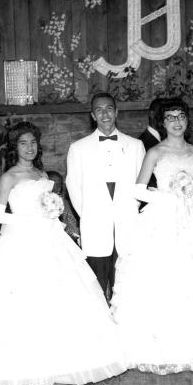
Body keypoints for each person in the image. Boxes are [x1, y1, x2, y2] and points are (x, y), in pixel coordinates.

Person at [0, 121, 126, 385]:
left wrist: (50, 212)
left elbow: (50, 207)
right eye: (23, 143)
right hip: (21, 241)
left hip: (50, 238)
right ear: (15, 148)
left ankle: (63, 361)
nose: (29, 148)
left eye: (33, 143)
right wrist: (31, 216)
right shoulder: (10, 176)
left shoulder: (41, 173)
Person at [111, 97, 193, 374]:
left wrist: (192, 192)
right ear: (163, 122)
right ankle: (161, 347)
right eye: (170, 117)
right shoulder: (155, 153)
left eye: (180, 116)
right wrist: (166, 196)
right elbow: (137, 190)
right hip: (162, 218)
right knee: (164, 276)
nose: (176, 121)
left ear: (187, 120)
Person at [66, 92, 145, 303]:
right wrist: (90, 215)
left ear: (116, 112)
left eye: (109, 108)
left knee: (126, 286)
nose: (105, 114)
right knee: (96, 288)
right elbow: (73, 186)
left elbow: (142, 184)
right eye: (99, 110)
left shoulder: (136, 146)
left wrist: (128, 210)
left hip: (127, 224)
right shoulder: (78, 148)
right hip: (95, 225)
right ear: (93, 115)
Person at [46, 170, 80, 245]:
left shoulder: (66, 204)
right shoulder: (44, 204)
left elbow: (74, 231)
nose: (56, 187)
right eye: (53, 183)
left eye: (58, 184)